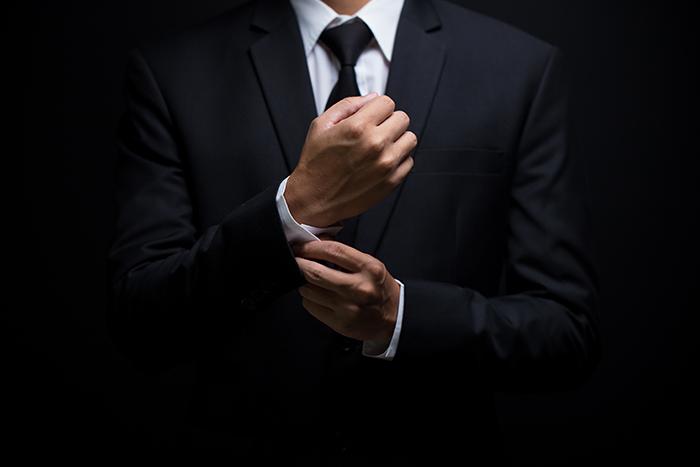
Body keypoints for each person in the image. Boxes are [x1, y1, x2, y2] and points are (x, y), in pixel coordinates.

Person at [107, 0, 601, 464]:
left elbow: (565, 331)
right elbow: (141, 323)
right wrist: (293, 208)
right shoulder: (174, 71)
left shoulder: (520, 67)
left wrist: (400, 316)